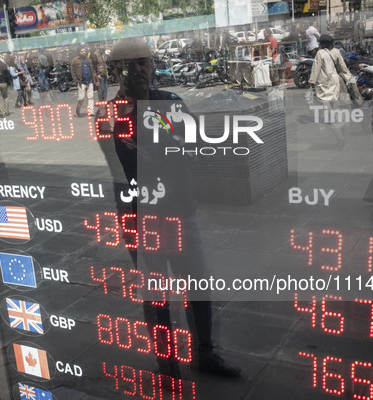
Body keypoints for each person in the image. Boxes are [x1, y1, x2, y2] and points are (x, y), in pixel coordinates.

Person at [97, 37, 241, 379]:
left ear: (152, 65)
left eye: (142, 64)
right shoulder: (110, 114)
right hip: (139, 217)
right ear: (116, 71)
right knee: (156, 293)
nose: (136, 72)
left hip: (178, 212)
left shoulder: (172, 104)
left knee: (198, 284)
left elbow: (190, 148)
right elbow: (119, 161)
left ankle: (204, 352)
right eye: (128, 66)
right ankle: (167, 362)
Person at [308, 34, 351, 149]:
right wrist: (350, 79)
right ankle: (341, 136)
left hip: (324, 85)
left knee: (330, 114)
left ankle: (340, 139)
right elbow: (343, 67)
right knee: (339, 110)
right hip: (336, 83)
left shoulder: (320, 53)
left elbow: (316, 69)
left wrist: (312, 82)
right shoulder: (336, 52)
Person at [71, 46, 98, 117]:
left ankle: (91, 112)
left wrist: (95, 79)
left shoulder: (89, 60)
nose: (83, 52)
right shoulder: (75, 61)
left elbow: (92, 70)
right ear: (79, 52)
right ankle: (77, 111)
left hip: (90, 81)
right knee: (81, 98)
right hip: (81, 82)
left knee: (90, 97)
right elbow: (73, 72)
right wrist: (76, 80)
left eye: (84, 51)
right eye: (82, 51)